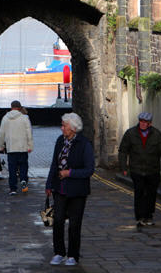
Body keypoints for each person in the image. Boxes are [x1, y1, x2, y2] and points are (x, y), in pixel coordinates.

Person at [46, 113, 95, 267]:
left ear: (73, 128)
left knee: (75, 224)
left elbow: (89, 170)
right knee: (58, 221)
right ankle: (59, 252)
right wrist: (48, 184)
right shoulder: (60, 141)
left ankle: (73, 255)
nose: (62, 128)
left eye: (64, 126)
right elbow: (54, 164)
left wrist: (70, 173)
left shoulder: (84, 144)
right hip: (59, 189)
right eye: (62, 125)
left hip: (78, 191)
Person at [118, 111, 161, 227]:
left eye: (145, 122)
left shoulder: (157, 135)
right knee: (139, 193)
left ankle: (148, 216)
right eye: (141, 121)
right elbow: (123, 151)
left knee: (151, 194)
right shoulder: (130, 133)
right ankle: (140, 216)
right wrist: (124, 167)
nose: (142, 124)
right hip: (137, 170)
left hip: (153, 170)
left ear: (150, 124)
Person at [0, 100, 33, 195]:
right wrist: (30, 145)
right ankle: (23, 179)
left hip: (11, 148)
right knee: (23, 166)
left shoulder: (5, 118)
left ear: (11, 107)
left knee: (12, 169)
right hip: (22, 148)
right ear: (20, 107)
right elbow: (29, 133)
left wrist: (1, 146)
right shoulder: (25, 118)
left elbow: (1, 134)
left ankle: (13, 189)